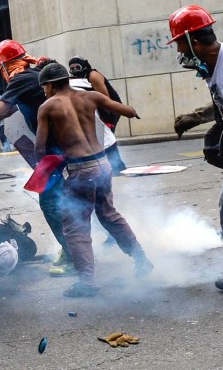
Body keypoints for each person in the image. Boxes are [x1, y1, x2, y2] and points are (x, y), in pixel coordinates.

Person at [34, 62, 153, 297]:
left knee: (76, 226)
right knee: (109, 214)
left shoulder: (47, 107)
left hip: (80, 170)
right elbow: (124, 109)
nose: (44, 91)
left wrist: (50, 164)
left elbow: (39, 148)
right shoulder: (90, 97)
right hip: (103, 164)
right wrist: (132, 111)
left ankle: (87, 283)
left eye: (44, 87)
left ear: (49, 85)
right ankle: (141, 258)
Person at [0, 39, 76, 276]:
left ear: (4, 66)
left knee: (51, 201)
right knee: (68, 199)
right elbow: (15, 107)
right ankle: (79, 247)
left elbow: (0, 110)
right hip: (65, 146)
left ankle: (73, 255)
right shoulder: (33, 75)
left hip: (56, 150)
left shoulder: (21, 79)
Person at [168, 4, 223, 291]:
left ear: (194, 41)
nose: (179, 51)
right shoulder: (211, 67)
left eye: (180, 43)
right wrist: (195, 117)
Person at [68, 56, 127, 175]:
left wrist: (103, 118)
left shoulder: (93, 76)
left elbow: (105, 99)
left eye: (77, 67)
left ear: (84, 66)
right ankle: (108, 166)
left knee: (105, 137)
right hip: (98, 111)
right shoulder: (78, 79)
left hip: (110, 111)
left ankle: (115, 166)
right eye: (72, 68)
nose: (74, 70)